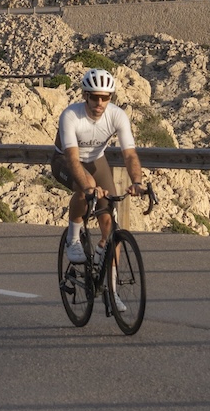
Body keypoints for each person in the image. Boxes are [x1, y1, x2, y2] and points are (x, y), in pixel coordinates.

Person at [51, 68, 146, 264]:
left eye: (105, 97)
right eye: (95, 97)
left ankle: (110, 289)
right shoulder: (71, 115)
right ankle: (74, 237)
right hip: (65, 160)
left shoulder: (117, 115)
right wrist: (88, 187)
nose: (100, 103)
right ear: (86, 95)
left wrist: (137, 181)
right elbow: (72, 158)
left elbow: (129, 155)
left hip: (96, 160)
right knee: (87, 187)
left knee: (111, 227)